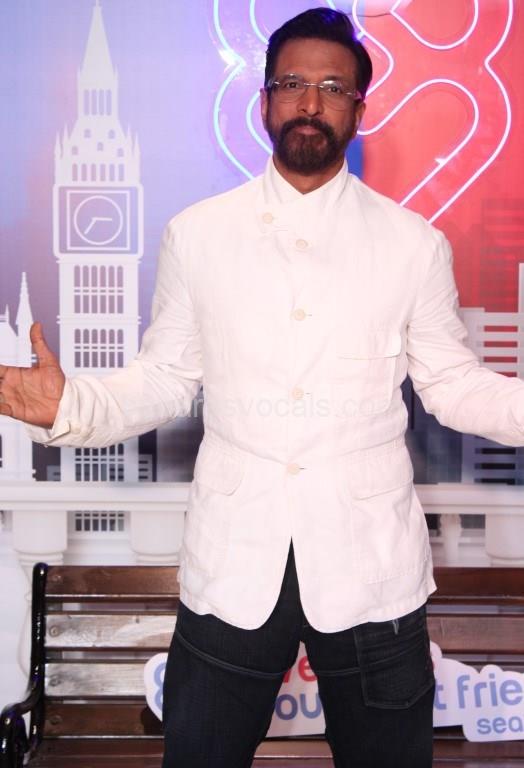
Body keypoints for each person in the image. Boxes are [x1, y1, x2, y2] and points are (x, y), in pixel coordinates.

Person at [1, 7, 524, 767]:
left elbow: (453, 385)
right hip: (233, 562)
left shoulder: (414, 244)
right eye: (291, 84)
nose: (310, 102)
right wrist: (69, 407)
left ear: (359, 110)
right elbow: (166, 377)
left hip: (373, 566)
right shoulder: (198, 234)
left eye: (332, 87)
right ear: (264, 100)